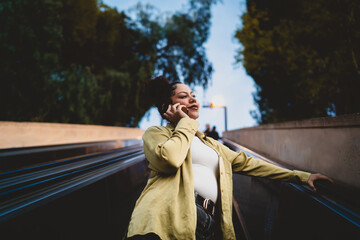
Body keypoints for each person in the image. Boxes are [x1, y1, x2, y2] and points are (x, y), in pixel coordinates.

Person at [126, 76, 333, 240]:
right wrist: (184, 123)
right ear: (168, 107)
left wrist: (303, 177)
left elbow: (253, 164)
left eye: (193, 94)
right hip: (165, 220)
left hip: (207, 225)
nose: (192, 99)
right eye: (183, 96)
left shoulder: (214, 145)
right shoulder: (157, 134)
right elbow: (170, 159)